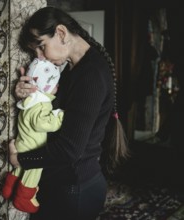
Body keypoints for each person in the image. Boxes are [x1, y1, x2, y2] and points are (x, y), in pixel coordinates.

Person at [8, 6, 129, 220]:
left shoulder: (91, 75)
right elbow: (54, 114)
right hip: (64, 184)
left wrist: (21, 160)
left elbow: (69, 150)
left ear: (61, 33)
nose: (40, 58)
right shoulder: (71, 68)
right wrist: (26, 96)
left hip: (75, 190)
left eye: (41, 46)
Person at [2, 58, 64, 213]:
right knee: (33, 170)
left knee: (20, 169)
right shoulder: (41, 103)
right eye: (55, 84)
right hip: (33, 147)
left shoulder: (31, 100)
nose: (58, 86)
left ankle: (9, 187)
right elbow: (41, 123)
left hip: (23, 143)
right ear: (45, 87)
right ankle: (24, 197)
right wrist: (59, 118)